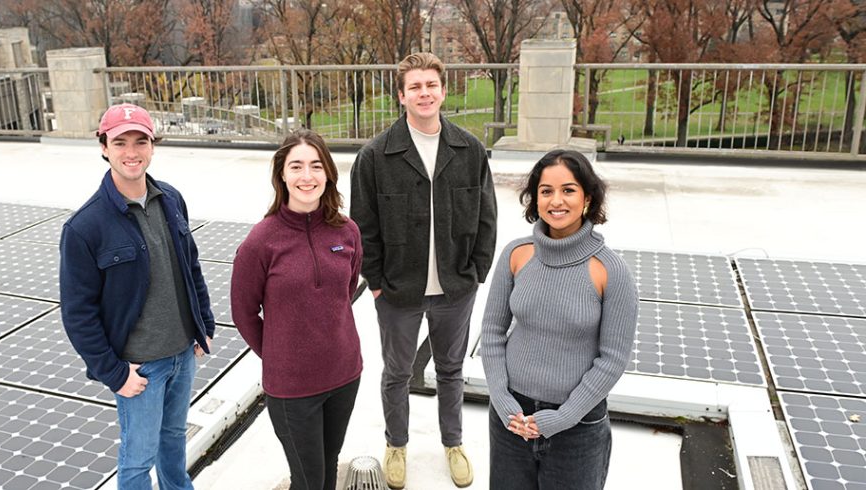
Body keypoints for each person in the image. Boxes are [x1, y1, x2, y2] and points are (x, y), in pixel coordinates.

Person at [350, 52, 497, 489]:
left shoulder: (469, 150)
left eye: (431, 85)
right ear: (402, 95)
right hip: (398, 291)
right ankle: (396, 444)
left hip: (456, 287)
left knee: (451, 371)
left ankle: (453, 442)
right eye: (414, 86)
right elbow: (363, 226)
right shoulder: (375, 156)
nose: (424, 93)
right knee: (397, 372)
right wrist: (375, 284)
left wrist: (476, 274)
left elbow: (487, 216)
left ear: (443, 90)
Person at [59, 103, 215, 490]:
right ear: (103, 147)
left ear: (152, 146)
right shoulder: (84, 227)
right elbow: (78, 313)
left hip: (181, 355)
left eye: (140, 141)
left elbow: (190, 266)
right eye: (120, 142)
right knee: (137, 458)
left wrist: (204, 324)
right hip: (140, 370)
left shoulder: (171, 199)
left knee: (175, 442)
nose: (132, 152)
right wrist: (114, 374)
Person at [480, 149, 638, 490]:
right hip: (512, 420)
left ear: (587, 198)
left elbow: (612, 359)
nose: (557, 201)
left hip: (577, 429)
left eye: (568, 190)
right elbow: (492, 332)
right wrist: (503, 400)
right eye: (546, 191)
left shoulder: (610, 270)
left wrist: (563, 417)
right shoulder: (516, 254)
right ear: (534, 198)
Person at [230, 129, 363, 490]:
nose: (307, 176)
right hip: (292, 388)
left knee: (329, 466)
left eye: (316, 166)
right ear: (282, 175)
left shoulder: (347, 232)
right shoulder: (261, 241)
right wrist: (278, 355)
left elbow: (345, 291)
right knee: (308, 480)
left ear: (329, 174)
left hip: (344, 375)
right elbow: (243, 313)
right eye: (297, 166)